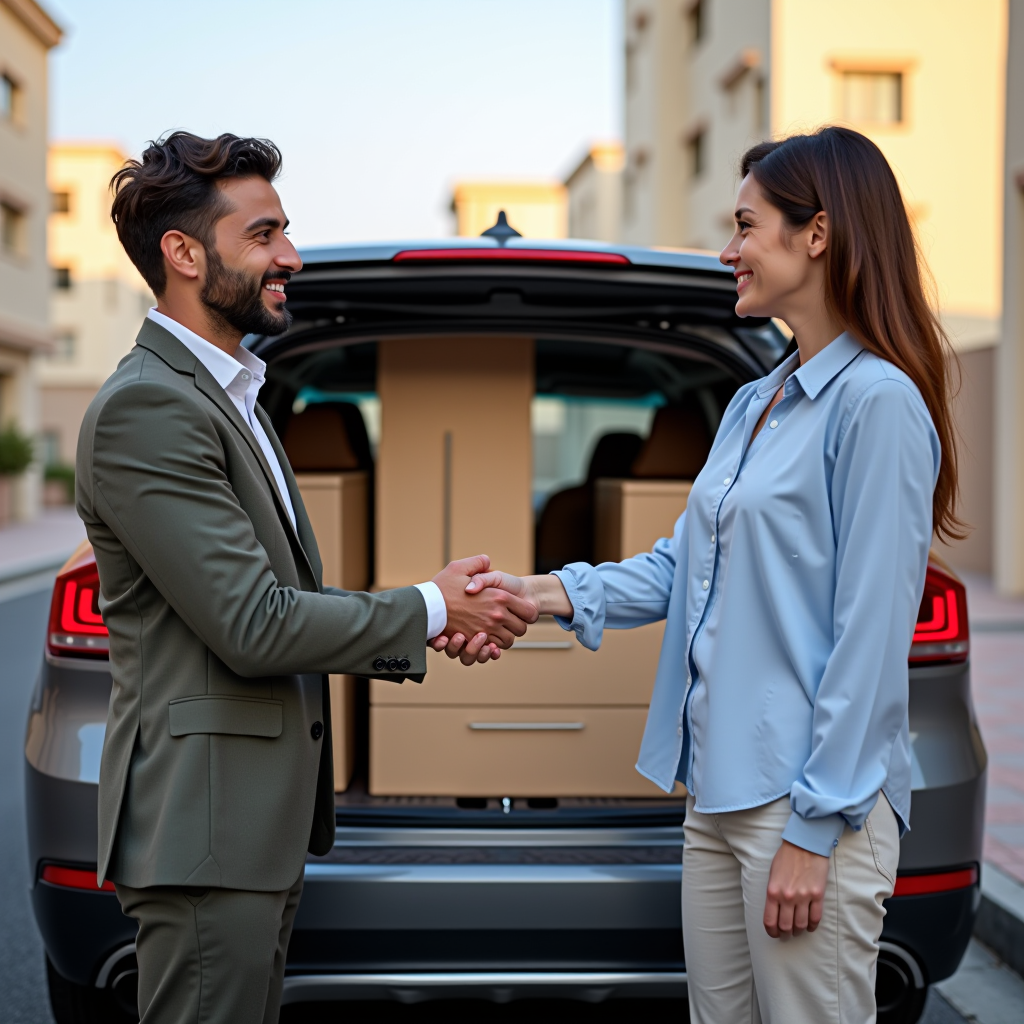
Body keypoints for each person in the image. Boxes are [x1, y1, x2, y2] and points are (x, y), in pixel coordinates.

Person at [456, 126, 961, 1023]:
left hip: (807, 806)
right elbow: (680, 566)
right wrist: (532, 596)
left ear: (819, 235)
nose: (728, 251)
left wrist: (813, 831)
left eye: (745, 226)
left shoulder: (877, 405)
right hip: (718, 793)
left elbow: (871, 638)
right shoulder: (754, 401)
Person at [77, 131, 535, 1024]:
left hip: (245, 829)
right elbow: (253, 623)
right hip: (207, 834)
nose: (290, 255)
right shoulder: (150, 407)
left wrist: (430, 608)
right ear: (182, 253)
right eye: (264, 235)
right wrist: (435, 604)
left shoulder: (229, 393)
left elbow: (269, 600)